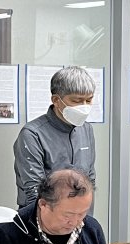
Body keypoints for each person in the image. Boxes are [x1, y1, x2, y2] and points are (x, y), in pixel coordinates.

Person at [13, 66, 98, 207]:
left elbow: (90, 180)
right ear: (56, 100)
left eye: (88, 100)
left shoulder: (86, 129)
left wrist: (82, 215)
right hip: (44, 215)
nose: (84, 107)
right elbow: (34, 191)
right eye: (77, 101)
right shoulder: (32, 134)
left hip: (80, 215)